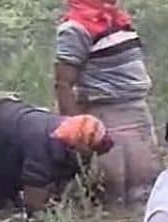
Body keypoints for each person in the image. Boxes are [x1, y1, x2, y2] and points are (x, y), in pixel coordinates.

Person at [54, 0, 160, 205]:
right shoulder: (74, 28)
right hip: (107, 115)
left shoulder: (117, 20)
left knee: (144, 191)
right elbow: (63, 85)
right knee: (113, 195)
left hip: (137, 113)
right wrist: (80, 133)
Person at [0, 94, 113, 212]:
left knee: (5, 198)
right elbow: (34, 202)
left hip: (1, 118)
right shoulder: (43, 147)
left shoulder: (63, 130)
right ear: (77, 147)